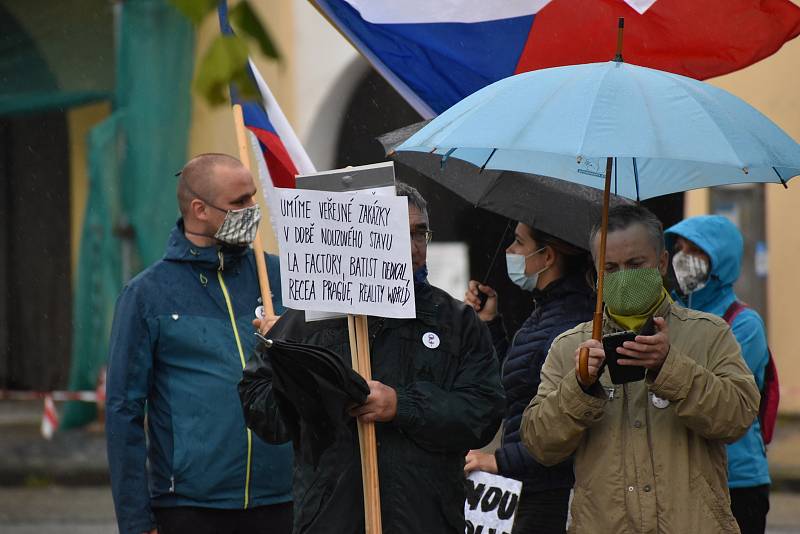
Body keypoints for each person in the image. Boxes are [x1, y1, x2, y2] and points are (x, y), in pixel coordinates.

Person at [239, 182, 505, 533]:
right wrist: (312, 393)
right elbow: (260, 409)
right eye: (398, 234)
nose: (412, 248)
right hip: (333, 520)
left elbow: (482, 414)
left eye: (420, 233)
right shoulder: (311, 315)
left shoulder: (454, 321)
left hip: (426, 519)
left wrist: (402, 405)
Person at [520, 204, 760, 533]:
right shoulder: (570, 346)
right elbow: (539, 444)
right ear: (596, 272)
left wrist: (670, 367)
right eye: (611, 268)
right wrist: (580, 387)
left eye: (635, 264)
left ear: (661, 263)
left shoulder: (709, 333)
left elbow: (738, 418)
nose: (624, 277)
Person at [106, 154, 293, 534]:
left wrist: (289, 341)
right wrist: (136, 521)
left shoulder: (279, 276)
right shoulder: (146, 294)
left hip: (283, 498)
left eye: (253, 197)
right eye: (239, 202)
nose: (252, 210)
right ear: (199, 209)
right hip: (190, 507)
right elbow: (123, 410)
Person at [463, 223, 594, 533]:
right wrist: (489, 324)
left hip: (551, 494)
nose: (509, 250)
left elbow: (567, 427)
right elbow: (519, 384)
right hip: (532, 485)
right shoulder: (548, 311)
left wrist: (500, 461)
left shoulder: (569, 323)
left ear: (547, 256)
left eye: (519, 242)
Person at [665, 215, 771, 534]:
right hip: (688, 472)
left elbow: (715, 390)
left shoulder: (745, 323)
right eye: (679, 248)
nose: (682, 258)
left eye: (695, 250)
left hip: (737, 478)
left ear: (720, 258)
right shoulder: (672, 313)